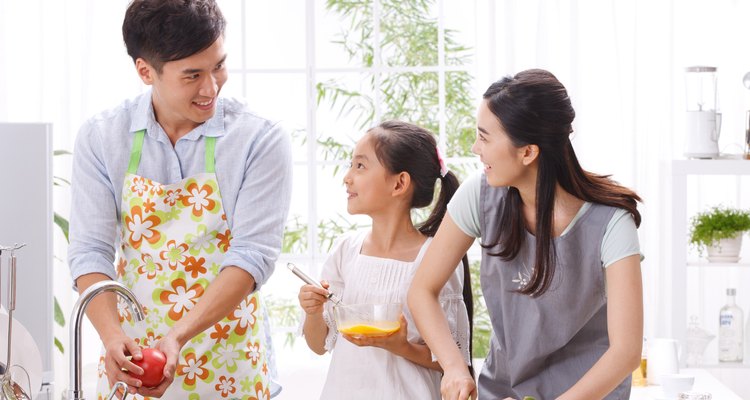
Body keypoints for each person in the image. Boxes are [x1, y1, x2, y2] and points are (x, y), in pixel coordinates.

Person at [67, 0, 292, 398]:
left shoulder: (259, 139)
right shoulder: (102, 137)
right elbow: (90, 252)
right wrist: (112, 336)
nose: (212, 88)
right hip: (134, 358)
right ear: (145, 71)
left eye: (219, 65)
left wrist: (177, 337)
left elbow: (253, 254)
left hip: (230, 356)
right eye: (193, 75)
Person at [408, 69, 644, 400]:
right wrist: (454, 366)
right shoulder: (480, 195)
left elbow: (626, 352)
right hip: (504, 391)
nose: (476, 148)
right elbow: (422, 290)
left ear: (528, 152)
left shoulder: (612, 223)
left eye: (485, 138)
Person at [296, 121, 473, 399]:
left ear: (399, 183)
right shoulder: (346, 251)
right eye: (351, 165)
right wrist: (312, 312)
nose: (347, 177)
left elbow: (454, 359)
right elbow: (319, 345)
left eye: (361, 166)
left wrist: (400, 346)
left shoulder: (434, 258)